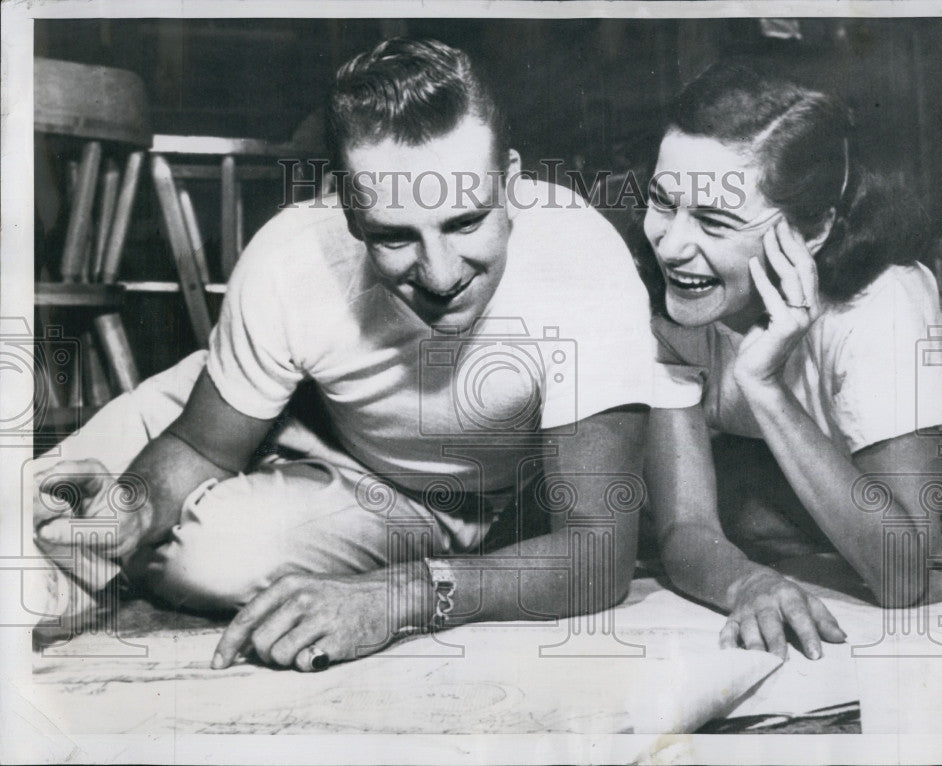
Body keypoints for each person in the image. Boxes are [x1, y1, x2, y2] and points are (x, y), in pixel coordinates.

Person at [32, 38, 694, 670]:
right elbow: (205, 446)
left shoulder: (583, 259)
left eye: (466, 222)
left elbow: (599, 556)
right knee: (40, 502)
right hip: (271, 404)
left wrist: (401, 596)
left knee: (212, 561)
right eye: (394, 236)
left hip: (427, 497)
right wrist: (138, 508)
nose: (439, 274)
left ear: (512, 184)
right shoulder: (294, 252)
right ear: (348, 214)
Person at [638, 62, 942, 660]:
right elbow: (687, 530)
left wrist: (762, 386)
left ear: (810, 235)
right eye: (662, 202)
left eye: (713, 220)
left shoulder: (878, 305)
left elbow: (903, 574)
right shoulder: (663, 305)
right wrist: (749, 583)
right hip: (802, 555)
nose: (671, 244)